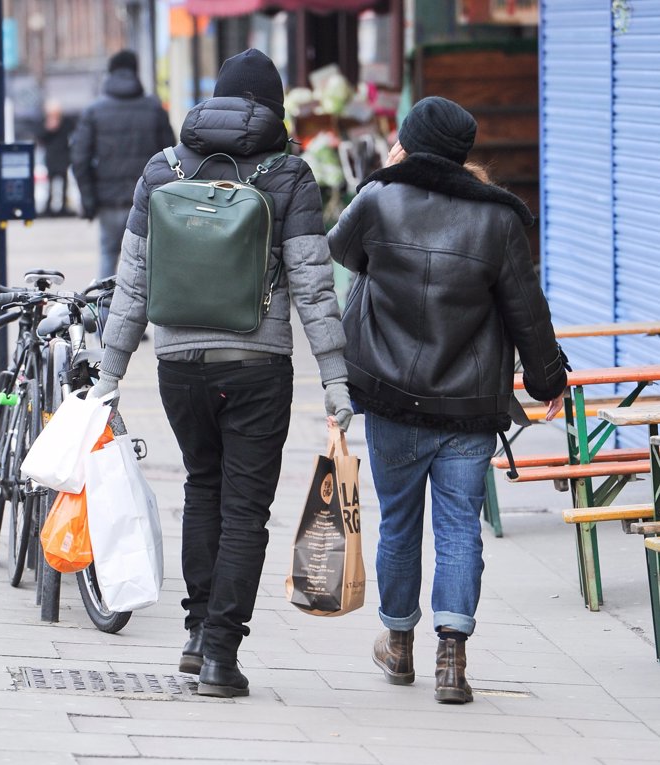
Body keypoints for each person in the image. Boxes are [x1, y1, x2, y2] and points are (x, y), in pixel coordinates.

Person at [87, 48, 353, 698]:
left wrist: (109, 369)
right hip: (257, 362)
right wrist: (335, 378)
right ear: (274, 106)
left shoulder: (163, 167)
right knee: (244, 509)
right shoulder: (288, 174)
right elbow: (315, 288)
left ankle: (194, 631)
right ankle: (219, 655)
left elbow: (132, 280)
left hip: (178, 364)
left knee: (201, 487)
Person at [327, 96, 568, 704]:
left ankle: (398, 644)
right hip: (467, 404)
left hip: (389, 397)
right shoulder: (499, 219)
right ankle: (452, 660)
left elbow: (340, 250)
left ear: (409, 142)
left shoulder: (378, 199)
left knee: (400, 523)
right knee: (461, 526)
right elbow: (526, 310)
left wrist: (388, 173)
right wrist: (548, 382)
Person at [70, 49, 175, 278]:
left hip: (108, 202)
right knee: (148, 262)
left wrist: (89, 201)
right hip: (148, 201)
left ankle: (104, 311)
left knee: (108, 258)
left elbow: (79, 159)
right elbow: (171, 155)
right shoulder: (154, 108)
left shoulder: (94, 111)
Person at [37, 99, 75, 216]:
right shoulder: (44, 122)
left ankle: (64, 206)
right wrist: (48, 129)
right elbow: (40, 137)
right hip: (51, 157)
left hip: (63, 156)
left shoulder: (66, 122)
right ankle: (48, 206)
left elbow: (72, 134)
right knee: (50, 183)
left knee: (64, 182)